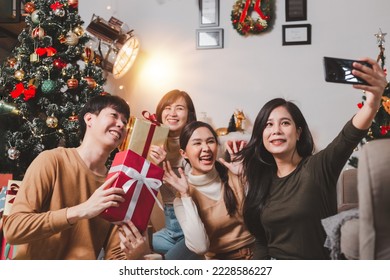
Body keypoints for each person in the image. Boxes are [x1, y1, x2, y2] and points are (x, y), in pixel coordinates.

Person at [235, 57, 388, 259]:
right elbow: (263, 244)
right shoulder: (260, 182)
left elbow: (349, 135)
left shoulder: (317, 167)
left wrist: (372, 102)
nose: (276, 131)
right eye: (268, 125)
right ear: (261, 136)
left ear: (298, 133)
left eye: (285, 123)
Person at [3, 94, 150, 259]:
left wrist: (136, 256)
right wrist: (82, 210)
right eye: (114, 115)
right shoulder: (52, 160)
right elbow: (13, 229)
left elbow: (114, 257)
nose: (121, 124)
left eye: (124, 121)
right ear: (89, 119)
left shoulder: (117, 184)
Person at [163, 121, 256, 260]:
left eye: (210, 141)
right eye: (197, 143)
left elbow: (263, 218)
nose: (206, 148)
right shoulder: (182, 198)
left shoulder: (234, 173)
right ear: (184, 153)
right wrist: (186, 196)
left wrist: (245, 177)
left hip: (259, 254)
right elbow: (201, 247)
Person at [150, 89, 200, 259]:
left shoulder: (197, 142)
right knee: (125, 247)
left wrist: (162, 170)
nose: (172, 113)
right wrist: (152, 168)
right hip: (170, 230)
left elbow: (196, 195)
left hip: (194, 225)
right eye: (167, 108)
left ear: (189, 114)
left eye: (179, 108)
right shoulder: (153, 142)